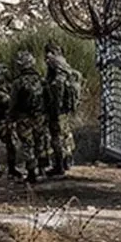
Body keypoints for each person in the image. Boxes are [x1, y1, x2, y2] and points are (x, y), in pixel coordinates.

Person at [10, 51, 65, 182]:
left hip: (24, 118)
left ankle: (31, 174)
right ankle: (42, 170)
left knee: (27, 145)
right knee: (40, 143)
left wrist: (11, 117)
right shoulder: (41, 80)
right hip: (40, 117)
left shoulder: (17, 82)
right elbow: (49, 99)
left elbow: (13, 103)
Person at [45, 43, 83, 173]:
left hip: (57, 111)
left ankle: (59, 166)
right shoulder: (67, 69)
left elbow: (55, 97)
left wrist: (53, 110)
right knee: (66, 134)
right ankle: (68, 161)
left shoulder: (57, 79)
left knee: (56, 137)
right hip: (66, 109)